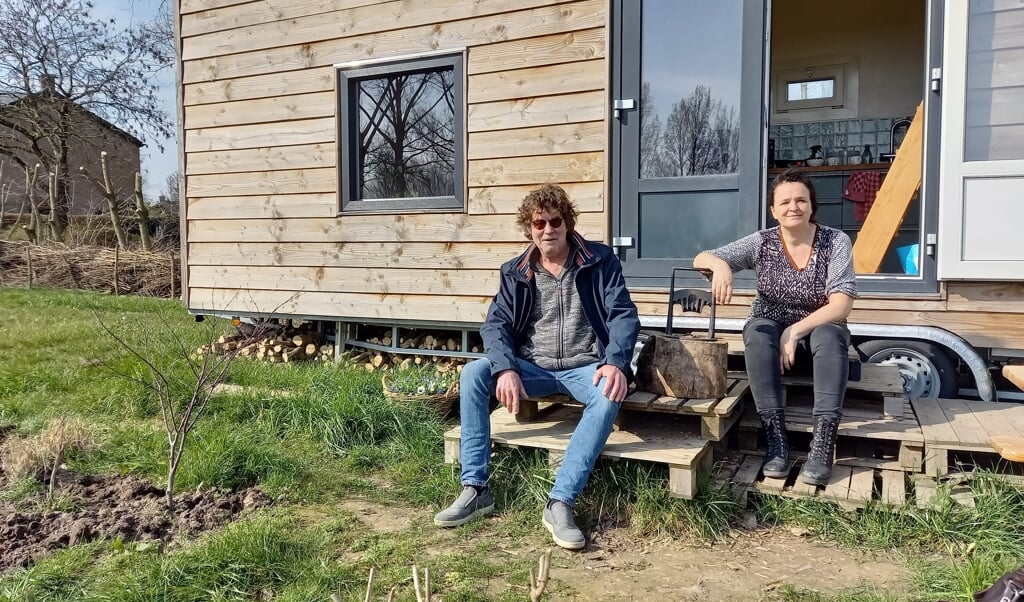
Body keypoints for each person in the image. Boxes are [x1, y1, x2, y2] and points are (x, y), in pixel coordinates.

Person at [434, 184, 640, 550]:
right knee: (473, 374)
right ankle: (476, 488)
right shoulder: (515, 271)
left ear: (569, 222)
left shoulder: (600, 260)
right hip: (533, 368)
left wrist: (615, 363)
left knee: (607, 396)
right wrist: (505, 368)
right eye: (539, 223)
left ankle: (560, 502)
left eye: (555, 221)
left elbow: (622, 314)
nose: (548, 229)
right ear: (529, 228)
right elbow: (495, 325)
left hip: (586, 367)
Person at [693, 169, 857, 485]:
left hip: (818, 329)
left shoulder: (835, 241)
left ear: (811, 205)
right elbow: (702, 257)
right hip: (770, 327)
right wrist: (720, 265)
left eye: (800, 200)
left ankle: (822, 445)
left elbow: (841, 304)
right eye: (784, 202)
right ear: (773, 209)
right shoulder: (763, 242)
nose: (793, 207)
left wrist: (794, 330)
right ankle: (776, 441)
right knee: (756, 333)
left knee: (830, 333)